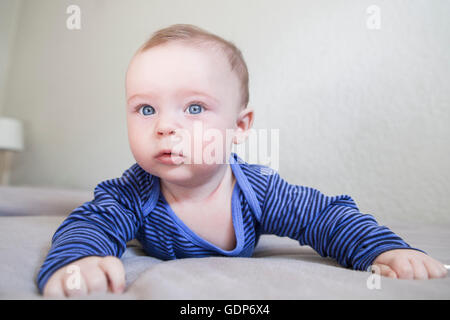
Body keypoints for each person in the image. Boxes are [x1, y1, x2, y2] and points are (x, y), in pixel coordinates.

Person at [37, 24, 447, 297]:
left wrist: (385, 251)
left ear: (239, 126)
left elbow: (325, 217)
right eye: (146, 109)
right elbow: (90, 222)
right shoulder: (131, 193)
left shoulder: (258, 192)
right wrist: (79, 260)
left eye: (194, 108)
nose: (165, 126)